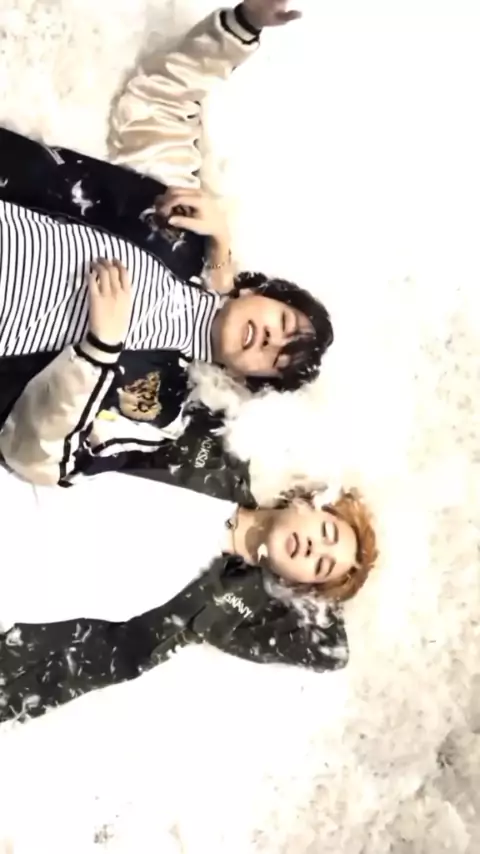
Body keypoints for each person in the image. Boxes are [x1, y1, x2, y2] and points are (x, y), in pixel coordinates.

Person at [0, 0, 333, 436]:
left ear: (245, 378)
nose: (271, 340)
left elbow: (34, 454)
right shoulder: (189, 234)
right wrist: (245, 24)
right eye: (284, 324)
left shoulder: (161, 404)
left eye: (277, 360)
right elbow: (160, 103)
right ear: (259, 291)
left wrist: (100, 350)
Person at [0, 467, 377, 724]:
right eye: (326, 532)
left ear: (299, 587)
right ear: (308, 502)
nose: (315, 548)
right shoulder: (215, 457)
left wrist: (332, 586)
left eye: (321, 565)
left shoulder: (220, 607)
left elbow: (331, 650)